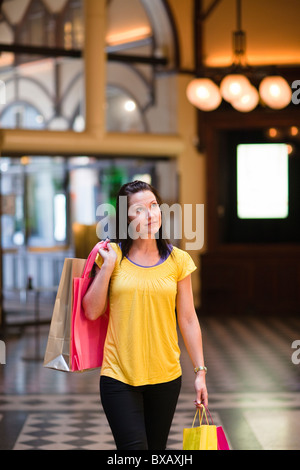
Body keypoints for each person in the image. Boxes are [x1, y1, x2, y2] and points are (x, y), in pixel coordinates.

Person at [82, 180, 208, 450]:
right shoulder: (111, 255)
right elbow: (92, 311)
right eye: (139, 210)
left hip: (165, 376)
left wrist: (200, 372)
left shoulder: (179, 260)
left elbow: (187, 319)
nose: (150, 215)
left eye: (153, 206)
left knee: (156, 450)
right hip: (118, 376)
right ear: (126, 218)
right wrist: (107, 268)